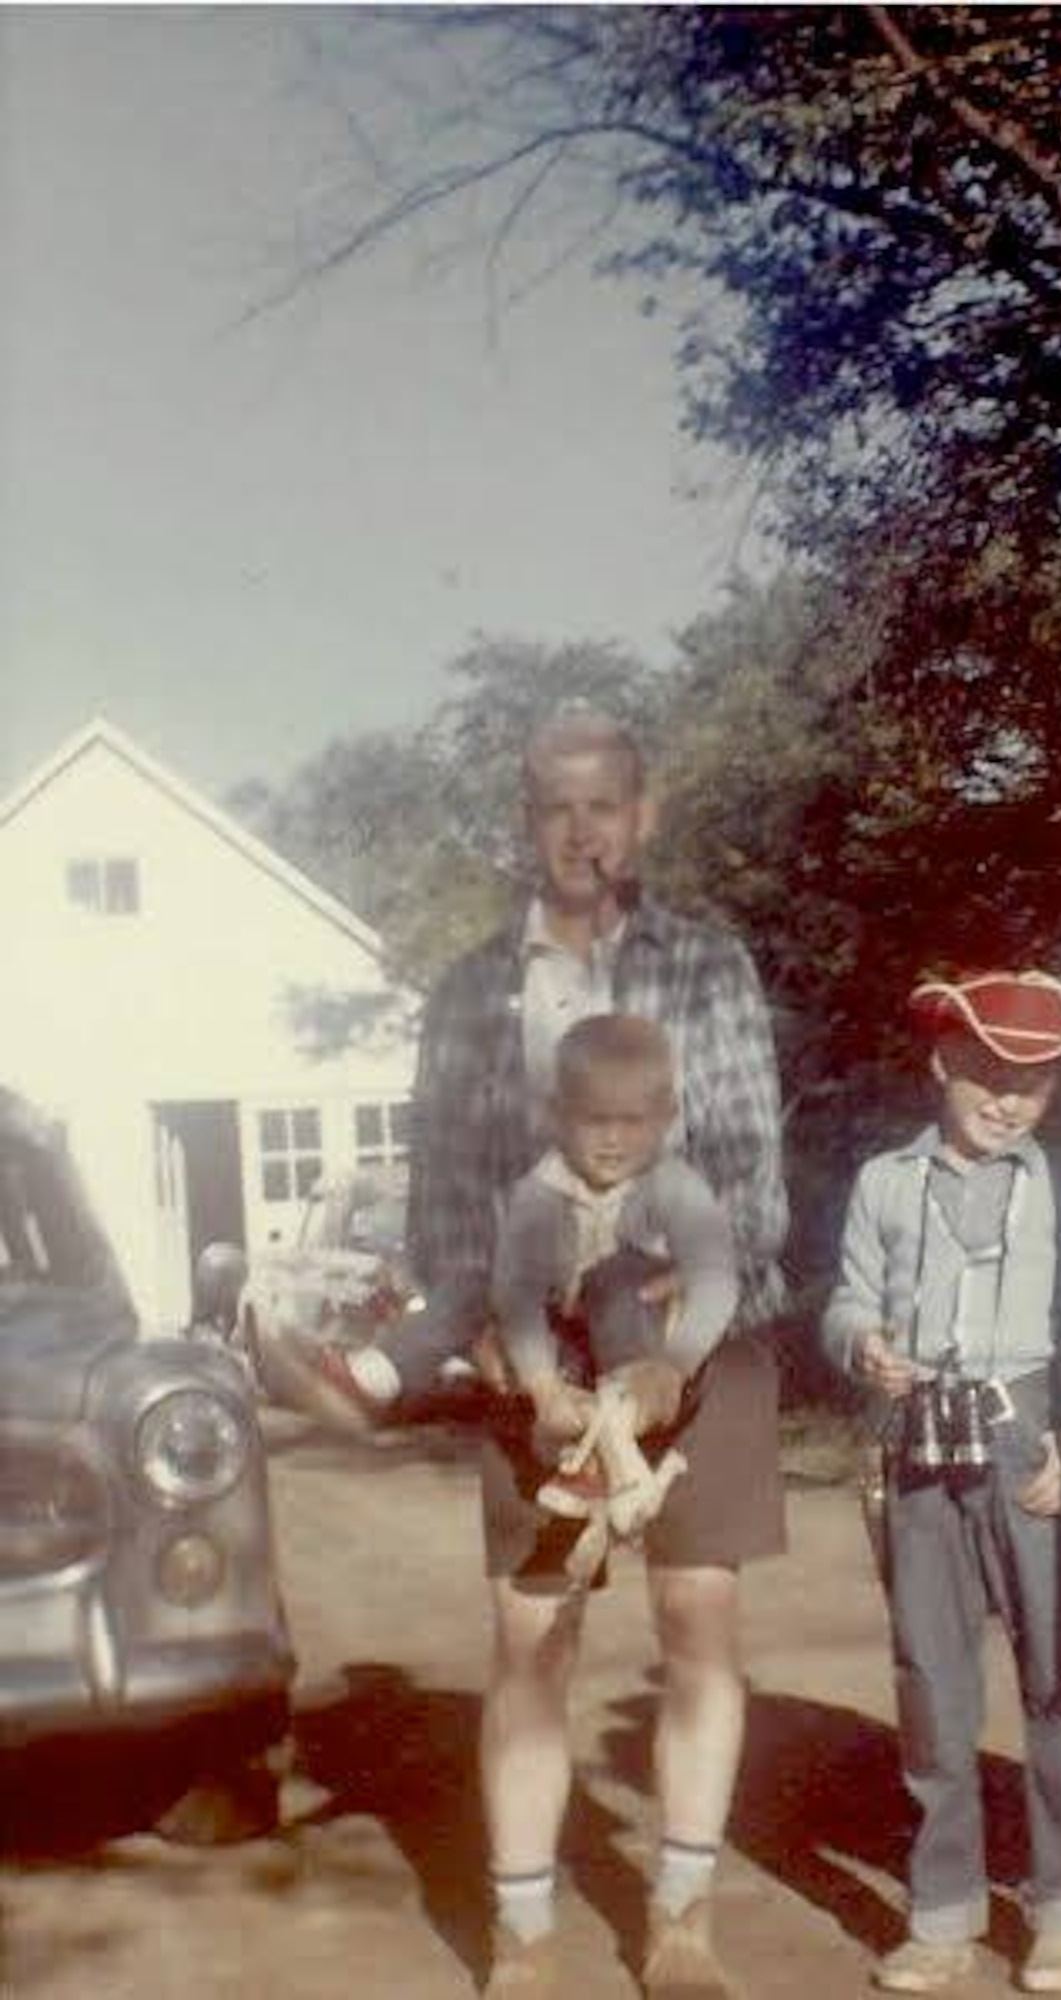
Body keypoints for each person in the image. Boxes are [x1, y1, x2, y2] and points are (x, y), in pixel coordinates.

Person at [275, 706, 787, 1998]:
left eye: (604, 803)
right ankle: (525, 1933)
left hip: (692, 1333)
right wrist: (498, 1355)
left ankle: (681, 1919)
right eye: (555, 807)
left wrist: (671, 1336)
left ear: (643, 814)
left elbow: (749, 1173)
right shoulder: (468, 992)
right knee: (532, 1640)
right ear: (527, 823)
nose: (580, 832)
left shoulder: (706, 967)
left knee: (698, 1620)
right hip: (531, 1351)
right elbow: (447, 1188)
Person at [822, 971, 1061, 1996]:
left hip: (1027, 1431)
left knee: (1060, 1680)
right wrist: (861, 1344)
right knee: (932, 1682)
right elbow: (848, 1296)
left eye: (1031, 1083)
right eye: (986, 1072)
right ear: (941, 1062)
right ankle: (943, 1910)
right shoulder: (884, 1182)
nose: (1006, 1098)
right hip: (915, 1437)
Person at [485, 1012, 740, 1574]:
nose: (613, 1139)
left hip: (652, 1364)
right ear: (557, 1116)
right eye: (594, 1120)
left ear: (667, 1118)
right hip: (570, 1369)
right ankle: (609, 1481)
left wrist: (675, 1363)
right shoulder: (539, 1192)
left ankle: (610, 1457)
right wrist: (543, 1384)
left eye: (632, 1121)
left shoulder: (673, 1182)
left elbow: (717, 1276)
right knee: (542, 1348)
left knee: (620, 1273)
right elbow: (517, 1295)